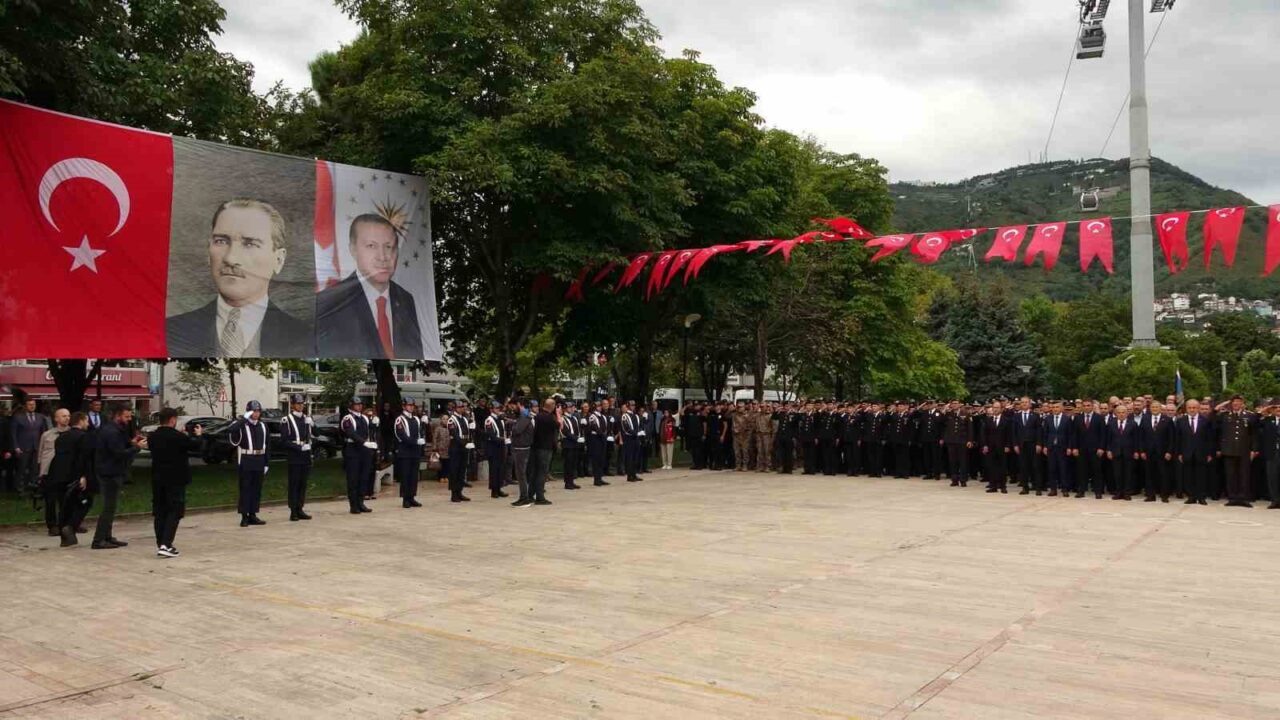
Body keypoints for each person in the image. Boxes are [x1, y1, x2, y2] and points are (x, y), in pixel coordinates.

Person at [166, 198, 311, 357]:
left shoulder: (306, 339)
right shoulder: (170, 332)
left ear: (278, 260)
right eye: (221, 241)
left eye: (250, 244)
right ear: (209, 251)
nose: (230, 258)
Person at [315, 214, 424, 358]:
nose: (383, 257)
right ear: (353, 250)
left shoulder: (406, 300)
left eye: (389, 246)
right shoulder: (328, 302)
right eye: (371, 246)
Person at [147, 409, 203, 557]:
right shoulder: (178, 437)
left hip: (158, 478)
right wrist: (198, 435)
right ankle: (166, 544)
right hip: (176, 478)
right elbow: (195, 446)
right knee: (175, 510)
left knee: (160, 511)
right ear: (172, 420)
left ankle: (161, 543)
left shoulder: (153, 437)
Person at [92, 405, 143, 549]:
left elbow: (122, 445)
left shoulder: (116, 430)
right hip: (109, 472)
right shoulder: (111, 431)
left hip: (113, 471)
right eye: (126, 416)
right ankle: (99, 539)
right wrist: (136, 448)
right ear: (117, 416)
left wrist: (132, 443)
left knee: (111, 507)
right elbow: (118, 453)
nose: (129, 419)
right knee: (108, 507)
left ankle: (107, 536)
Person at [51, 412, 94, 547]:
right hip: (74, 475)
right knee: (85, 501)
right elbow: (83, 458)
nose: (88, 424)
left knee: (65, 505)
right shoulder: (83, 437)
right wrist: (83, 476)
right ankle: (70, 527)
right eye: (86, 421)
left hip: (58, 475)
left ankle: (65, 535)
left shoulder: (61, 437)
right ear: (81, 421)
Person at [229, 400, 270, 525]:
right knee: (245, 488)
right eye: (253, 411)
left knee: (256, 489)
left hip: (259, 459)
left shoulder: (263, 426)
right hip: (246, 460)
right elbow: (231, 430)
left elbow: (267, 445)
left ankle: (253, 514)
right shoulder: (241, 425)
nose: (256, 414)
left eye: (258, 411)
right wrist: (243, 419)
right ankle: (244, 516)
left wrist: (266, 463)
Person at [280, 394, 314, 520]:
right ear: (293, 405)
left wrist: (312, 424)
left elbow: (316, 434)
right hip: (294, 455)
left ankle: (300, 508)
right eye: (298, 403)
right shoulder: (286, 420)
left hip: (305, 455)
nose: (300, 406)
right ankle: (293, 510)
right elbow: (284, 441)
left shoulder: (306, 418)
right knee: (294, 483)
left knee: (303, 484)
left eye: (302, 404)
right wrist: (299, 448)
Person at [36, 408, 71, 535]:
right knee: (50, 500)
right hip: (49, 471)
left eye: (68, 416)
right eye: (63, 416)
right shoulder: (47, 435)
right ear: (56, 418)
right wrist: (41, 472)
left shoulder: (73, 434)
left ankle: (66, 524)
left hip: (66, 470)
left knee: (66, 499)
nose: (66, 418)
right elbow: (41, 454)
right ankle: (52, 525)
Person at [1218, 394, 1255, 508]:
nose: (1236, 404)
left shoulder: (1249, 416)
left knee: (1244, 474)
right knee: (1230, 475)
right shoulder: (1225, 416)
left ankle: (1243, 498)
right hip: (1229, 450)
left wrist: (1254, 449)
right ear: (1231, 404)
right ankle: (1232, 497)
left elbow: (1254, 434)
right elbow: (1213, 418)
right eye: (1234, 402)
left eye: (1238, 402)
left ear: (1242, 403)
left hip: (1244, 450)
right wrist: (1223, 404)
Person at [340, 398, 376, 512]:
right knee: (353, 479)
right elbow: (351, 433)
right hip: (353, 450)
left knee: (363, 478)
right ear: (351, 406)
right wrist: (363, 442)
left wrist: (375, 423)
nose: (359, 406)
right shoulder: (348, 418)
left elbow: (371, 431)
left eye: (360, 404)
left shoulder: (364, 417)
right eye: (356, 405)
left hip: (364, 451)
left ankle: (361, 502)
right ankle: (353, 505)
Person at [1177, 399, 1213, 505]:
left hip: (1201, 453)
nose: (1192, 410)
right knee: (1188, 475)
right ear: (1186, 408)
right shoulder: (1181, 421)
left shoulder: (1205, 421)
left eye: (1194, 408)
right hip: (1186, 453)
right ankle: (1191, 496)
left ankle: (1201, 497)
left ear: (1198, 408)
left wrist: (1210, 453)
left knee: (1201, 475)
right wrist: (1179, 453)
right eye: (1190, 408)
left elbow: (1209, 438)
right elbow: (1178, 438)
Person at [10, 398, 49, 498]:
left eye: (33, 404)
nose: (32, 406)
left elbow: (44, 433)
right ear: (25, 406)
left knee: (35, 470)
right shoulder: (18, 417)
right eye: (30, 404)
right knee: (22, 469)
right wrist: (16, 447)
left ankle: (33, 488)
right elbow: (13, 434)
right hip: (23, 447)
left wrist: (44, 446)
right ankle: (20, 489)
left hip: (37, 447)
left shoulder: (40, 417)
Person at [523, 399, 557, 506]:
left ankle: (530, 494)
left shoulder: (537, 416)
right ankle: (540, 497)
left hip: (535, 447)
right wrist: (559, 415)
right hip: (545, 448)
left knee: (535, 472)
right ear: (552, 406)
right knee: (542, 473)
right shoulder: (549, 417)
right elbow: (559, 425)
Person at [394, 396, 426, 508]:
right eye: (409, 405)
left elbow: (420, 432)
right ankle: (405, 499)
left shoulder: (416, 419)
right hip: (405, 452)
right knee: (405, 476)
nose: (411, 407)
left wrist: (422, 434)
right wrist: (416, 441)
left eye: (412, 406)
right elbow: (402, 436)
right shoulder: (400, 419)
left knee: (413, 476)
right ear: (404, 406)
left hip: (415, 452)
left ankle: (412, 497)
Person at [1141, 401, 1175, 503]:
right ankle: (1150, 495)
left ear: (1161, 408)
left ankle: (1164, 495)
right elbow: (1141, 437)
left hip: (1163, 452)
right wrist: (1142, 451)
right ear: (1150, 408)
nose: (1155, 409)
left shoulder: (1167, 420)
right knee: (1149, 474)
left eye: (1157, 407)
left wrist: (1169, 451)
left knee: (1163, 474)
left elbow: (1172, 438)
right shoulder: (1145, 419)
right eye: (1153, 407)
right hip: (1149, 452)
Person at [1105, 405, 1139, 501]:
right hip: (1115, 452)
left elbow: (1136, 439)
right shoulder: (1111, 423)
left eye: (1123, 412)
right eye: (1119, 412)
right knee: (1117, 474)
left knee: (1128, 474)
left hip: (1129, 452)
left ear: (1127, 413)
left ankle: (1127, 493)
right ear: (1115, 413)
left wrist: (1136, 451)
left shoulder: (1133, 424)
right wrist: (1108, 450)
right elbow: (1108, 439)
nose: (1121, 414)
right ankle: (1118, 492)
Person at [981, 401, 1011, 494]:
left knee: (1002, 467)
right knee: (992, 467)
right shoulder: (988, 420)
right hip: (991, 447)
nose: (995, 409)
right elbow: (984, 434)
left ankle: (1003, 486)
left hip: (1002, 447)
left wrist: (1007, 445)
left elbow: (1009, 435)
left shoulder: (1006, 420)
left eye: (997, 407)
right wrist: (985, 445)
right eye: (994, 407)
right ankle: (993, 486)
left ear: (1001, 409)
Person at [445, 404, 472, 502]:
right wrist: (463, 443)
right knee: (454, 471)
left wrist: (469, 442)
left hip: (464, 447)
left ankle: (460, 492)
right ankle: (454, 494)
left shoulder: (464, 419)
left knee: (462, 470)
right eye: (460, 407)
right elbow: (454, 434)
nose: (462, 409)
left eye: (463, 407)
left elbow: (468, 433)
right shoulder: (451, 420)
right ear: (455, 408)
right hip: (455, 447)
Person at [1256, 400, 1280, 509]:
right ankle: (1275, 500)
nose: (1278, 410)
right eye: (1276, 409)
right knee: (1272, 477)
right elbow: (1255, 421)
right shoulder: (1268, 420)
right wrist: (1266, 409)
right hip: (1272, 453)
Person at [942, 401, 972, 487]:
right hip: (951, 441)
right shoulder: (948, 414)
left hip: (962, 441)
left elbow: (970, 427)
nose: (954, 405)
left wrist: (970, 440)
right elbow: (941, 423)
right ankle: (954, 479)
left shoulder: (965, 413)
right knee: (952, 461)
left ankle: (963, 480)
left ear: (959, 405)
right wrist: (944, 410)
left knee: (963, 461)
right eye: (953, 403)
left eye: (956, 403)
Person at [483, 401, 509, 499]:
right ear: (492, 409)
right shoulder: (489, 420)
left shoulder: (500, 419)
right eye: (497, 408)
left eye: (499, 408)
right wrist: (502, 439)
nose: (499, 410)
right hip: (493, 447)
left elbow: (503, 432)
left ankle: (499, 488)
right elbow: (491, 435)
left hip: (501, 446)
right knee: (494, 469)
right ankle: (494, 490)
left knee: (500, 468)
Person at [560, 402, 583, 489]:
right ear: (566, 408)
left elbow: (578, 429)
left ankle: (571, 481)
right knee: (568, 464)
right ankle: (567, 483)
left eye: (573, 407)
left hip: (575, 444)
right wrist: (576, 438)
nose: (572, 409)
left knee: (573, 463)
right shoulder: (563, 419)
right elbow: (565, 431)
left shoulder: (574, 418)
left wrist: (580, 438)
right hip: (567, 444)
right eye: (570, 407)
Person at [620, 400, 642, 482]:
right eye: (632, 405)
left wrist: (639, 432)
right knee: (629, 457)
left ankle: (634, 474)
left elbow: (638, 426)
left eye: (634, 405)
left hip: (636, 438)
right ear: (628, 406)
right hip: (629, 438)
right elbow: (626, 428)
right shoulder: (625, 416)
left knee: (635, 457)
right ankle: (630, 476)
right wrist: (635, 433)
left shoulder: (635, 415)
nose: (633, 406)